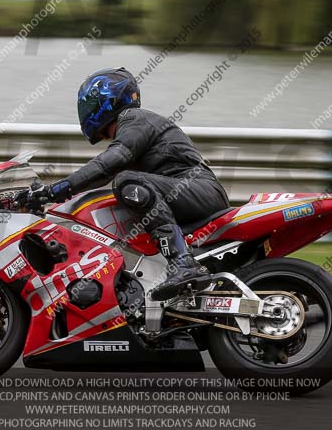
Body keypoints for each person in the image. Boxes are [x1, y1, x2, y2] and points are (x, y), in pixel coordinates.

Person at [31, 67, 230, 301]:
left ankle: (183, 264)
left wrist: (57, 189)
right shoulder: (131, 128)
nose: (85, 109)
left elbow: (109, 163)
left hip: (200, 191)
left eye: (90, 102)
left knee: (127, 182)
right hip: (189, 193)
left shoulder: (134, 119)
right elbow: (103, 172)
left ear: (108, 100)